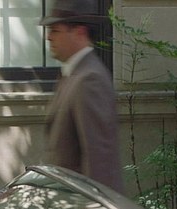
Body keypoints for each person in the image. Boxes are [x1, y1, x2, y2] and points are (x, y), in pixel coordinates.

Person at [39, 0, 124, 192]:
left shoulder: (90, 79)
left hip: (84, 204)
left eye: (55, 30)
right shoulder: (72, 74)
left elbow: (100, 161)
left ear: (79, 32)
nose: (49, 37)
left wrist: (94, 208)